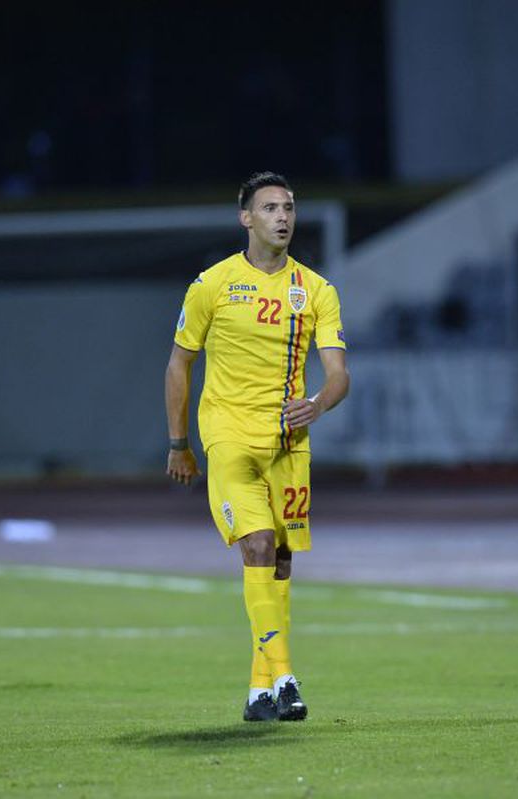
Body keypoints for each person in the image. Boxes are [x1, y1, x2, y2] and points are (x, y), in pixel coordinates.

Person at [165, 172, 350, 721]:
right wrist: (179, 442)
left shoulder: (316, 290)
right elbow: (180, 361)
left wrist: (316, 404)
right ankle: (287, 677)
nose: (282, 217)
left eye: (289, 207)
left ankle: (257, 691)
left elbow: (339, 373)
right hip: (227, 435)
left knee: (282, 561)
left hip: (289, 444)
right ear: (246, 218)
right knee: (259, 546)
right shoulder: (212, 285)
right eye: (270, 208)